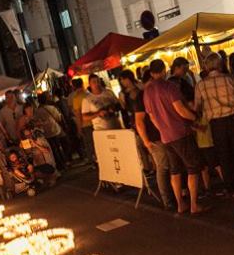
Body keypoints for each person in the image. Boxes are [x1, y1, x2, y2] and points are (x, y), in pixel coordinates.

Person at [143, 59, 207, 215]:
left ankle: (180, 204)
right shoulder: (169, 87)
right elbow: (180, 110)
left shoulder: (147, 91)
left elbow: (151, 117)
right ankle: (193, 204)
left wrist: (162, 128)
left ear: (151, 73)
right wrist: (194, 118)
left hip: (165, 137)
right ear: (164, 70)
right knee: (192, 168)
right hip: (180, 133)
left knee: (175, 170)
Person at [194, 52, 234, 196]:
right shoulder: (228, 79)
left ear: (207, 67)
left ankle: (230, 186)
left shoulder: (201, 85)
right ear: (219, 64)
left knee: (224, 154)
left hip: (216, 123)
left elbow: (197, 107)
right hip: (232, 118)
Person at [123, 69, 173, 209]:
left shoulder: (147, 94)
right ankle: (167, 199)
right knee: (162, 167)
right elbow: (139, 121)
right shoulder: (141, 97)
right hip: (154, 137)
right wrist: (146, 141)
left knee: (167, 165)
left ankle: (172, 196)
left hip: (162, 134)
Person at [81, 75, 122, 162]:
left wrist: (113, 108)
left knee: (120, 152)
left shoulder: (108, 92)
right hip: (101, 130)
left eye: (98, 81)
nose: (97, 84)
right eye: (94, 82)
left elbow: (118, 104)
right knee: (108, 155)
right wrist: (97, 113)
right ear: (90, 84)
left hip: (115, 126)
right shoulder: (87, 99)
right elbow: (84, 117)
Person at [67, 78, 89, 160]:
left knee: (84, 138)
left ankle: (87, 156)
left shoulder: (71, 96)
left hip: (77, 118)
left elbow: (70, 109)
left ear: (73, 86)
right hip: (90, 117)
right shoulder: (88, 93)